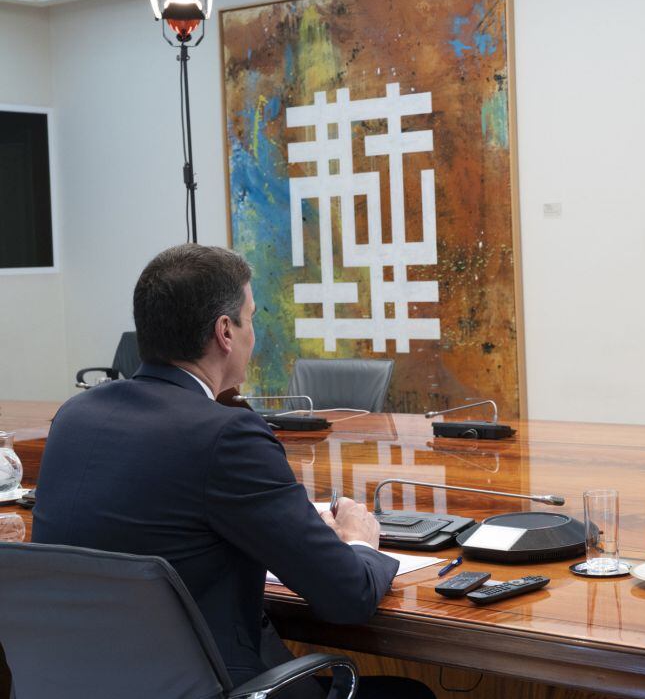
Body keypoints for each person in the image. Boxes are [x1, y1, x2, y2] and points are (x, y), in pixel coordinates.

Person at [31, 244, 433, 699]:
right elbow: (347, 597)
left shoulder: (74, 417)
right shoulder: (226, 434)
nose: (252, 334)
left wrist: (294, 527)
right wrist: (359, 539)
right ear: (225, 331)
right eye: (252, 317)